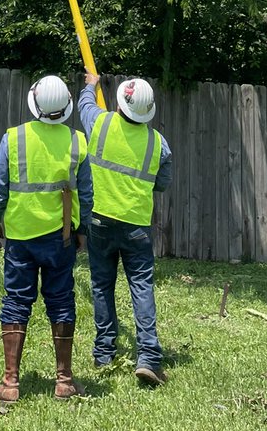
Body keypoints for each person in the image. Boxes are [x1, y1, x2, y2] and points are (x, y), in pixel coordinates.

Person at [0, 74, 92, 403]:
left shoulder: (13, 138)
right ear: (65, 108)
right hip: (60, 239)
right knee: (60, 301)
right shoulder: (77, 142)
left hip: (20, 238)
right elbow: (86, 194)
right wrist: (82, 229)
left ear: (36, 105)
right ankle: (64, 381)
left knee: (16, 301)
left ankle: (10, 383)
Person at [79, 71, 172, 385]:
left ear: (119, 103)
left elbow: (83, 106)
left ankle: (104, 352)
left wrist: (90, 85)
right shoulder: (159, 144)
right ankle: (148, 357)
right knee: (141, 288)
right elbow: (162, 184)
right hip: (136, 226)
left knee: (102, 286)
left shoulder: (100, 123)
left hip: (99, 221)